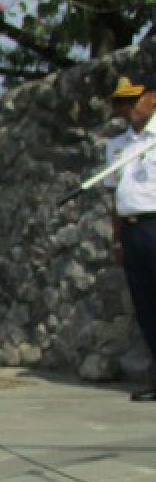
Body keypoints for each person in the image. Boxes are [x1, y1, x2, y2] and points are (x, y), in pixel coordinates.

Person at [105, 72, 156, 400]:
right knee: (146, 306)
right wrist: (119, 239)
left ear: (152, 97)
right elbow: (113, 197)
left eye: (133, 99)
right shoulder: (117, 145)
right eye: (121, 101)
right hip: (133, 228)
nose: (127, 107)